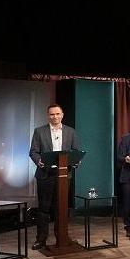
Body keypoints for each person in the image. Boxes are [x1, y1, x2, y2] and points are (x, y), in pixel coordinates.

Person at [28, 104, 81, 250]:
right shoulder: (39, 131)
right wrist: (38, 161)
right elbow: (33, 152)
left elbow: (76, 151)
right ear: (48, 116)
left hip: (64, 175)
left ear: (62, 115)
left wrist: (76, 161)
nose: (55, 117)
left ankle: (62, 236)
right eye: (52, 114)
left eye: (58, 114)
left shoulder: (71, 132)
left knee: (62, 208)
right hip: (45, 174)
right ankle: (41, 239)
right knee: (44, 209)